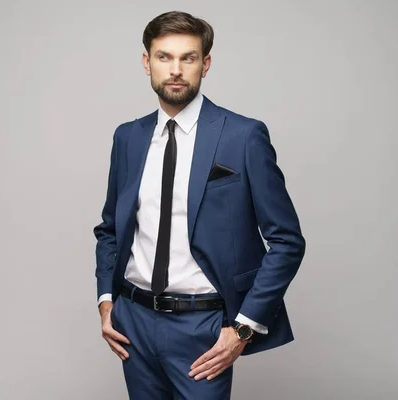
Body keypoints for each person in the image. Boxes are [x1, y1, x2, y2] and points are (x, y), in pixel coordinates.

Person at [93, 10, 306, 400]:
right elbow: (110, 228)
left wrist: (243, 329)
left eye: (188, 58)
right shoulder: (128, 138)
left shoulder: (243, 136)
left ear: (205, 64)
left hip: (203, 327)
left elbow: (288, 242)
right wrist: (107, 302)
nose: (175, 69)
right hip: (133, 323)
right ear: (147, 63)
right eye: (164, 57)